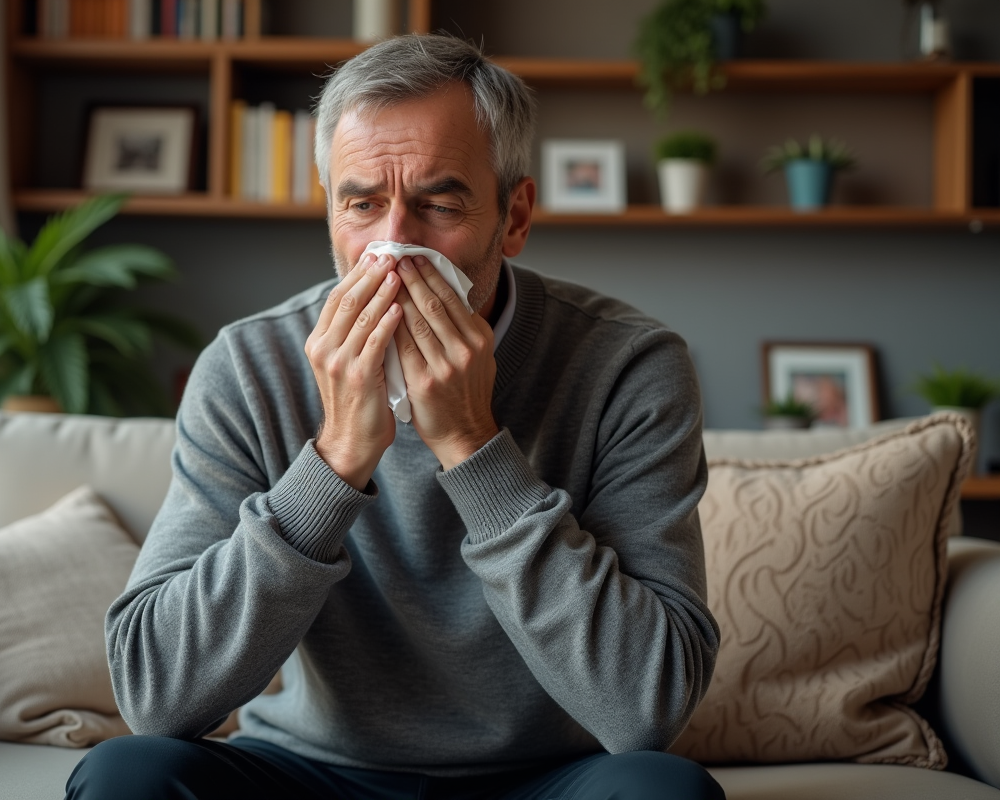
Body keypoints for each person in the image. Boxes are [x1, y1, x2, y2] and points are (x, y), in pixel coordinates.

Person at [66, 33, 723, 800]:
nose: (395, 245)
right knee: (127, 775)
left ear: (514, 217)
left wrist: (473, 447)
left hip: (542, 779)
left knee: (664, 791)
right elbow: (157, 694)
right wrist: (336, 459)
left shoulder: (627, 365)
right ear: (330, 216)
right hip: (309, 773)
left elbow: (648, 709)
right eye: (362, 204)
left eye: (439, 203)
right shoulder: (249, 368)